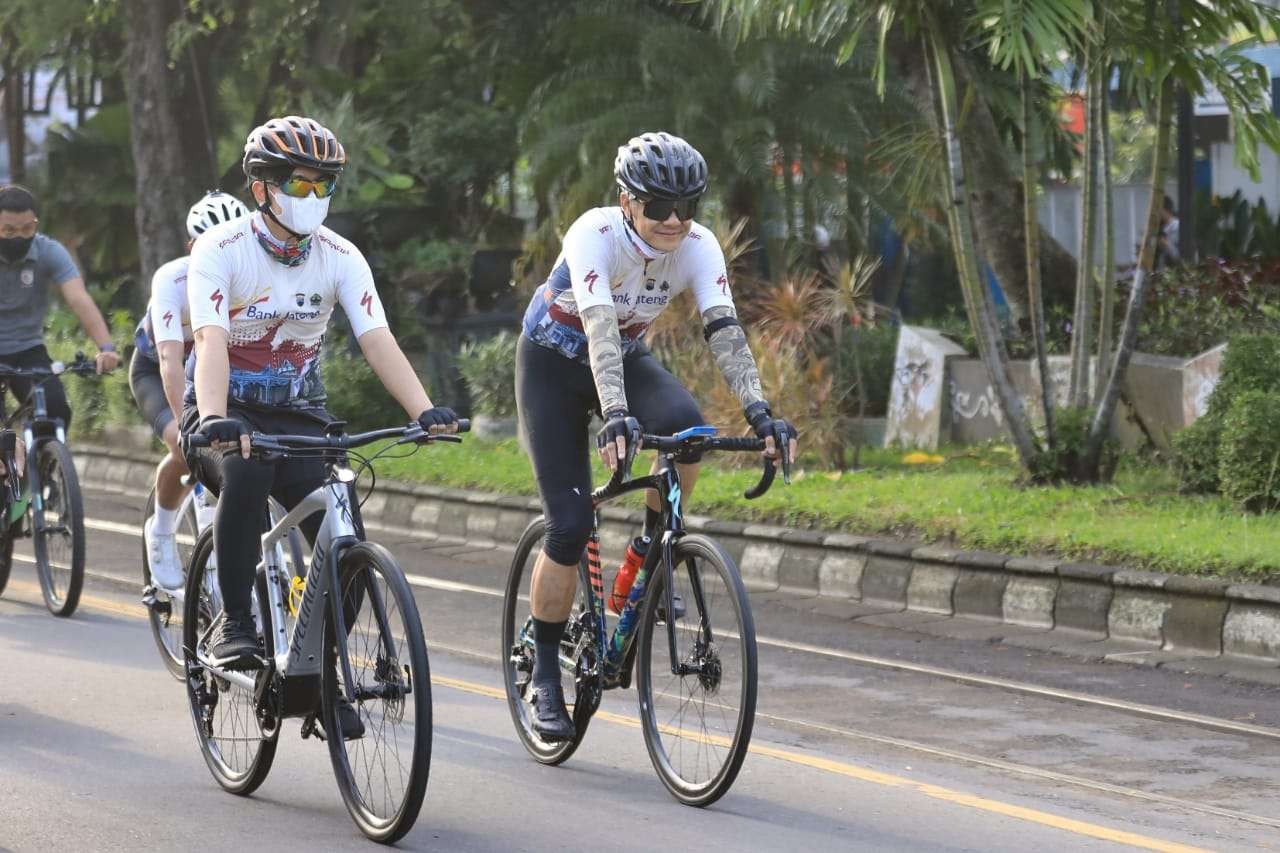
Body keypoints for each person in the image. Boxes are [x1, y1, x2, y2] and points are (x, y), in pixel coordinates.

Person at [516, 131, 799, 742]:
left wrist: (761, 414)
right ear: (626, 200)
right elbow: (596, 327)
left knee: (686, 427)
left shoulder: (697, 245)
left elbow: (723, 329)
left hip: (623, 355)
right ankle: (543, 674)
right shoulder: (593, 233)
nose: (674, 221)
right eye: (659, 208)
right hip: (553, 366)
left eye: (687, 207)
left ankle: (651, 552)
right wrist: (615, 411)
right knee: (569, 525)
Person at [182, 116, 459, 717]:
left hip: (301, 417)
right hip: (222, 413)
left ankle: (316, 669)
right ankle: (234, 623)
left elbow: (377, 338)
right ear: (261, 188)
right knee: (248, 473)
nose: (314, 199)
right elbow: (209, 341)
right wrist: (214, 419)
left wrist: (425, 410)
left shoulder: (340, 257)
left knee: (345, 531)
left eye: (323, 187)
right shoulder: (220, 250)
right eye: (300, 185)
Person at [134, 191, 250, 591]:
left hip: (212, 366)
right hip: (160, 368)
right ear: (191, 248)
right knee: (186, 450)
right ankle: (161, 531)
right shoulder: (172, 278)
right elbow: (168, 360)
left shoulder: (250, 272)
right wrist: (189, 426)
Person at [0, 185, 120, 428]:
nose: (19, 237)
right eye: (9, 230)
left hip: (28, 349)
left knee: (55, 410)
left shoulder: (48, 251)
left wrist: (106, 348)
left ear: (36, 223)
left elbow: (78, 298)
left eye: (27, 228)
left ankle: (45, 460)